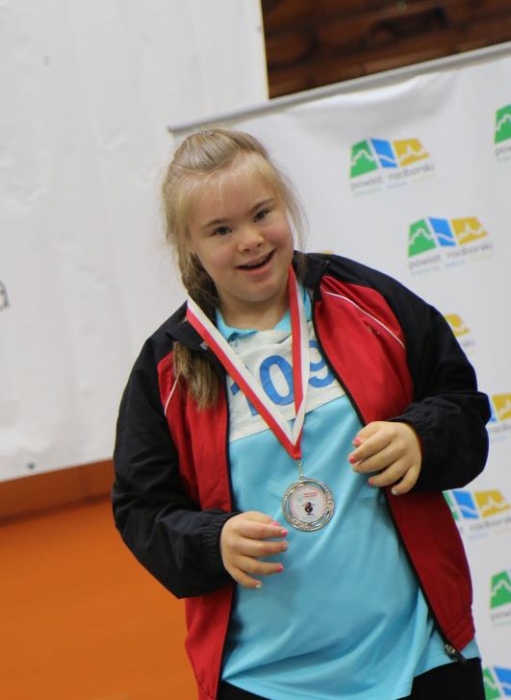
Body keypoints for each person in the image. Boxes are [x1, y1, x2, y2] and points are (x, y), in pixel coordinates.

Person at [112, 128, 490, 700]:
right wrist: (213, 542)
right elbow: (141, 508)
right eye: (221, 230)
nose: (250, 240)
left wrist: (421, 437)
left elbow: (460, 401)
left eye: (261, 214)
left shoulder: (366, 301)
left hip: (420, 656)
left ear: (284, 206)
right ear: (189, 245)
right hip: (268, 680)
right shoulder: (168, 367)